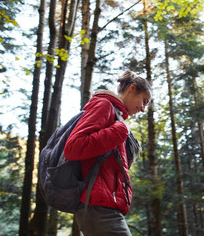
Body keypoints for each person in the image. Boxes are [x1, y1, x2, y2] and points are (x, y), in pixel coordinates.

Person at [64, 70, 152, 236]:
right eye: (144, 101)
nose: (142, 109)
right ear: (132, 88)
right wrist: (118, 132)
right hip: (96, 205)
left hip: (104, 205)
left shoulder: (116, 117)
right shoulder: (104, 106)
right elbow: (73, 147)